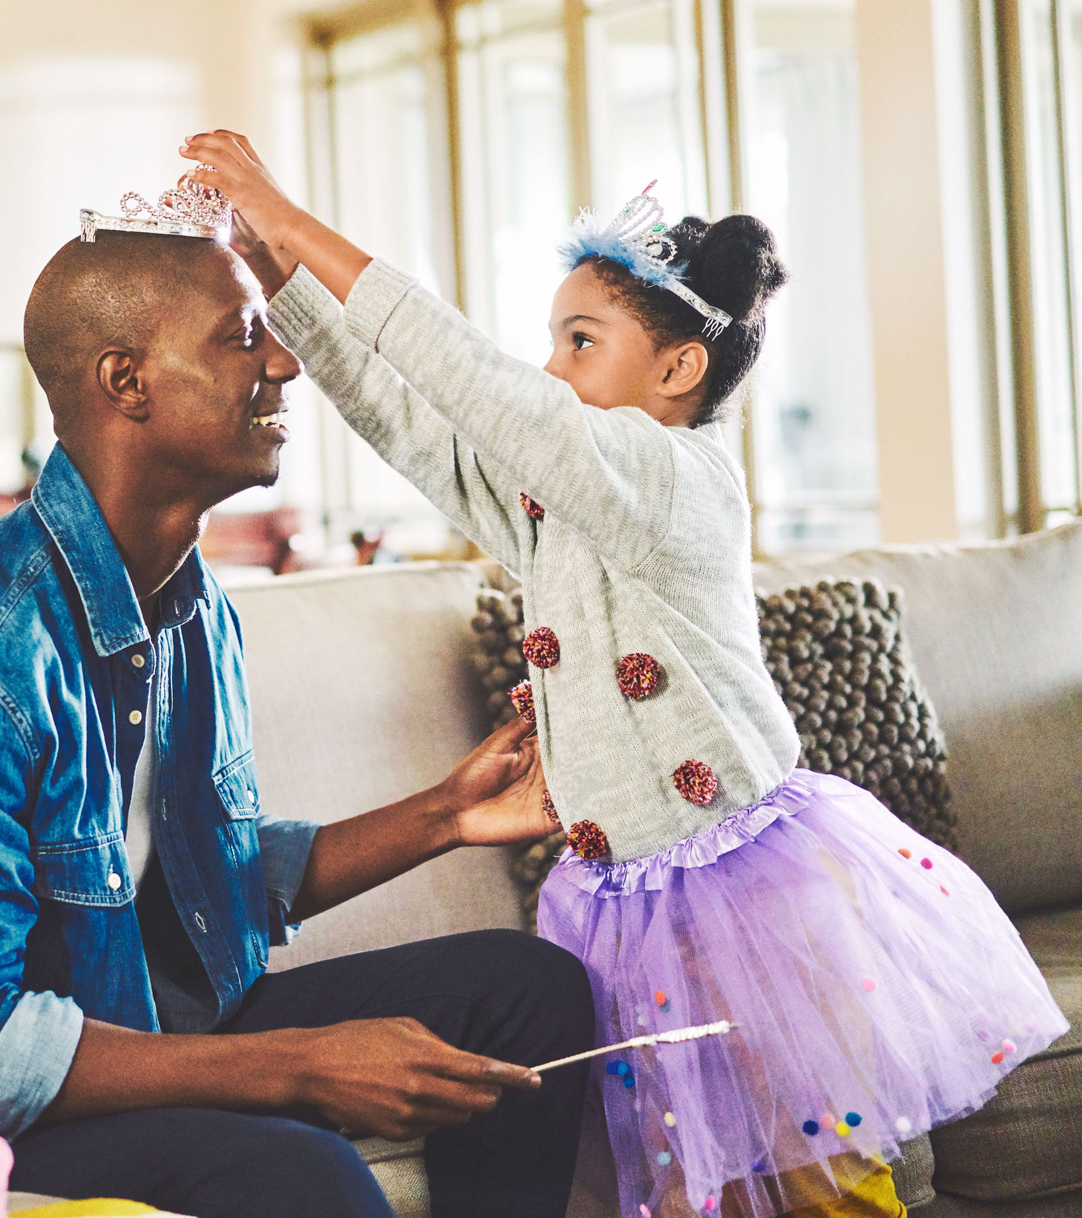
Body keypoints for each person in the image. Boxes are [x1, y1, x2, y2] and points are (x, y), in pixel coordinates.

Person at [180, 129, 1070, 1218]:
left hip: (747, 893)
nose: (552, 371)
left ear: (677, 368)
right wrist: (289, 290)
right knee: (701, 1184)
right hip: (625, 901)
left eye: (580, 342)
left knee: (823, 1180)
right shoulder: (561, 503)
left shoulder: (676, 478)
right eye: (552, 343)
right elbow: (422, 426)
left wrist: (288, 217)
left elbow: (474, 383)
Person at [0, 212, 597, 1218]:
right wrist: (294, 1065)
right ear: (129, 381)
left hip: (139, 1024)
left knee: (528, 992)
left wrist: (445, 814)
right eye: (243, 334)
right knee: (298, 1169)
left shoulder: (191, 606)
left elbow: (208, 884)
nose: (287, 362)